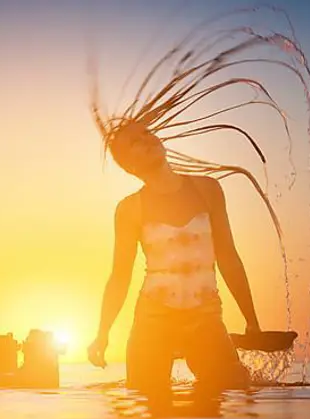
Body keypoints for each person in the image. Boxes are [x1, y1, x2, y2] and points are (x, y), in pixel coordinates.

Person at [86, 120, 260, 394]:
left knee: (232, 389)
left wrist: (252, 320)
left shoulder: (208, 190)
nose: (147, 140)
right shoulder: (129, 209)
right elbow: (120, 275)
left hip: (205, 315)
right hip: (152, 319)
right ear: (130, 165)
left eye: (146, 133)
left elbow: (228, 257)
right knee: (147, 403)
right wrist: (102, 333)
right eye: (136, 142)